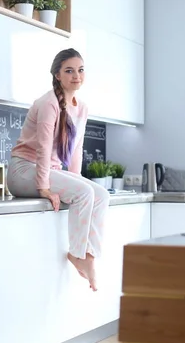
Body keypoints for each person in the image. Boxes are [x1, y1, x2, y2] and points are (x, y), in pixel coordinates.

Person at [7, 48, 110, 292]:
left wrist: (76, 180)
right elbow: (43, 148)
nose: (77, 75)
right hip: (23, 171)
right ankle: (76, 254)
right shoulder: (48, 103)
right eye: (69, 70)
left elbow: (76, 149)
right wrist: (43, 187)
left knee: (101, 195)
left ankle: (89, 255)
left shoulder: (81, 107)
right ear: (57, 75)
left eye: (81, 70)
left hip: (48, 170)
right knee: (85, 193)